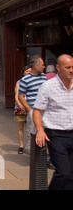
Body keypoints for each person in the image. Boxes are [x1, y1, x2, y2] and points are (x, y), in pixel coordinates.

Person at [33, 54, 73, 190]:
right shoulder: (48, 86)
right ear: (58, 68)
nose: (71, 70)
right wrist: (40, 130)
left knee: (71, 175)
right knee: (63, 172)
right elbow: (37, 110)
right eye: (67, 67)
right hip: (56, 135)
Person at [18, 55, 47, 153]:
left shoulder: (44, 77)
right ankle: (33, 155)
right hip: (33, 110)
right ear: (36, 66)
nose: (44, 67)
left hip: (45, 110)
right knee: (32, 132)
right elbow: (20, 96)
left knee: (46, 132)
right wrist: (30, 110)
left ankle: (45, 155)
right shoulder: (25, 80)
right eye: (42, 65)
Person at [14, 65, 31, 154]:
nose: (28, 73)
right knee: (20, 127)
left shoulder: (33, 81)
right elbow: (17, 95)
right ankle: (21, 145)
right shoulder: (19, 82)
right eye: (27, 71)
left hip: (30, 107)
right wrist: (20, 105)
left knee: (31, 127)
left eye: (30, 71)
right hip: (20, 107)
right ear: (23, 73)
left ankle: (30, 145)